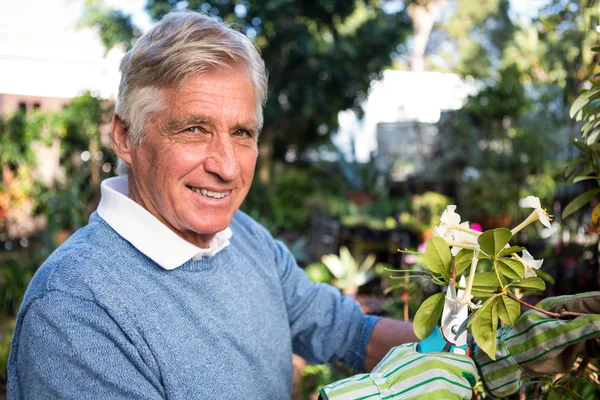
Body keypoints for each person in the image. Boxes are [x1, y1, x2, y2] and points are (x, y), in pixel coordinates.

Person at [7, 10, 600, 400]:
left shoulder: (245, 241)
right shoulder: (77, 312)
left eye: (243, 133)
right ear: (126, 137)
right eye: (194, 129)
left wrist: (488, 346)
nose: (228, 165)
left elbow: (345, 328)